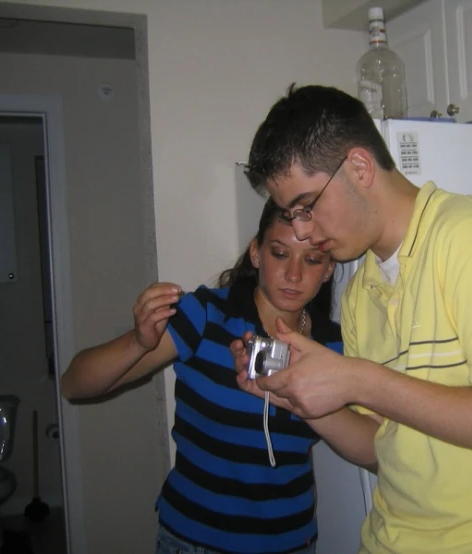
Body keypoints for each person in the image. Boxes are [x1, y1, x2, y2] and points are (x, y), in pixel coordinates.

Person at [233, 84, 472, 554]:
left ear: (359, 167)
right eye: (291, 214)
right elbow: (381, 448)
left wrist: (358, 380)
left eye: (307, 206)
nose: (303, 229)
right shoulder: (359, 292)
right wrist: (305, 400)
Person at [61, 198, 345, 554]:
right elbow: (73, 384)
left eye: (313, 259)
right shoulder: (207, 315)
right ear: (256, 253)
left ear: (330, 268)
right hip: (194, 540)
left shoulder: (333, 345)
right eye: (280, 253)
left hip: (290, 541)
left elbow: (376, 445)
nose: (293, 275)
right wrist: (138, 342)